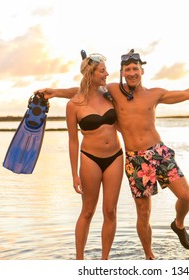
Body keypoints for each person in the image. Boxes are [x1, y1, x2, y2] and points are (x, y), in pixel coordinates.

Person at [38, 49, 189, 260]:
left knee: (186, 196)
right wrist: (54, 93)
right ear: (122, 72)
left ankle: (178, 224)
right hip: (136, 160)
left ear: (142, 70)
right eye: (127, 69)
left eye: (135, 69)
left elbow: (187, 93)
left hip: (159, 153)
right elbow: (84, 90)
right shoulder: (112, 91)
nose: (132, 72)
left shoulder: (155, 94)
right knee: (143, 214)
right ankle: (149, 257)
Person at [63, 52, 123, 260]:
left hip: (115, 156)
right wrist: (74, 174)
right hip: (90, 158)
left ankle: (104, 262)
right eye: (102, 70)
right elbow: (72, 141)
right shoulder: (74, 105)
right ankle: (79, 261)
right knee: (87, 211)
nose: (107, 73)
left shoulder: (110, 95)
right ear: (91, 73)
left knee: (110, 211)